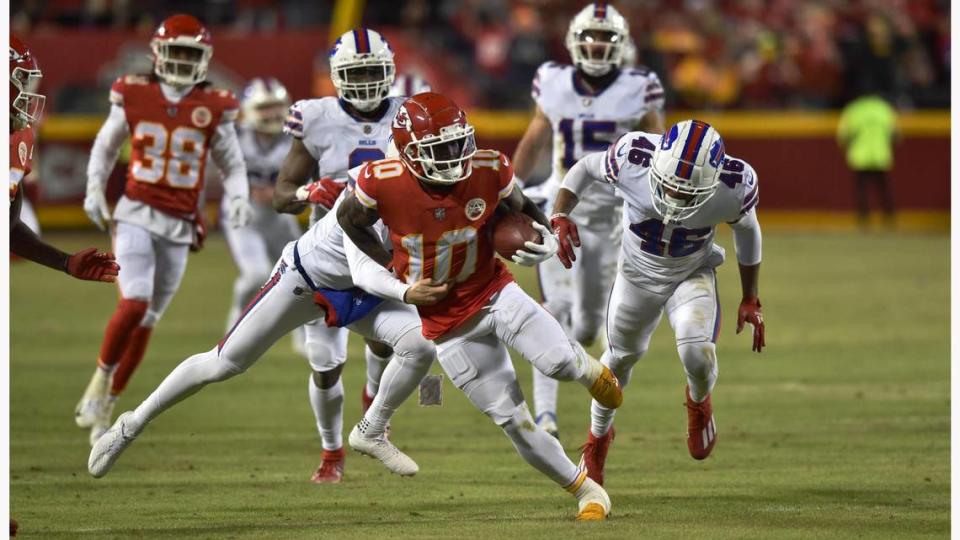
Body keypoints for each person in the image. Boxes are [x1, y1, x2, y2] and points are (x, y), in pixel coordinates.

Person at [337, 92, 622, 520]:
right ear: (411, 152)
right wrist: (393, 270)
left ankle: (586, 367)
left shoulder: (488, 167)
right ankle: (588, 491)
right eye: (440, 149)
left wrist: (544, 238)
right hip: (447, 326)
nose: (454, 156)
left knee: (559, 363)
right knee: (516, 423)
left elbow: (521, 207)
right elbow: (347, 219)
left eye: (458, 143)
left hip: (493, 289)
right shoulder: (383, 180)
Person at [88, 166, 446, 484]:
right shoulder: (369, 190)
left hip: (361, 290)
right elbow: (367, 270)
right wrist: (406, 290)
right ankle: (132, 424)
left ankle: (371, 430)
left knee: (419, 344)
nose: (450, 163)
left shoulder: (442, 199)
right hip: (306, 281)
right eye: (438, 151)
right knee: (224, 363)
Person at [549, 119, 766, 485]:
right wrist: (560, 214)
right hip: (636, 275)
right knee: (617, 361)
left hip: (691, 272)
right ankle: (597, 439)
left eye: (688, 193)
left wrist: (751, 297)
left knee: (697, 352)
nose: (677, 199)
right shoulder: (634, 156)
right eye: (670, 187)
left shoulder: (734, 182)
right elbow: (586, 167)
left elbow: (748, 230)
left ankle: (699, 402)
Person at [75, 14, 253, 446]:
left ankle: (110, 403)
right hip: (136, 212)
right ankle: (99, 380)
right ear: (157, 54)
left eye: (190, 53)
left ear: (205, 58)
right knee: (134, 303)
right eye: (175, 52)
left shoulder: (214, 105)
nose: (181, 61)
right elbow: (105, 144)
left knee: (148, 321)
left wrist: (238, 196)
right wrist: (94, 188)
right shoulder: (134, 92)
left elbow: (232, 164)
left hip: (179, 225)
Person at [511, 2, 665, 438]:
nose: (597, 45)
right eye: (590, 37)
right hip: (561, 207)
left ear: (622, 45)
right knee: (553, 312)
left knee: (586, 323)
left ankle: (579, 381)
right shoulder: (553, 81)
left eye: (607, 38)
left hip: (613, 217)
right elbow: (534, 139)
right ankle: (546, 417)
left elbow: (658, 149)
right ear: (574, 42)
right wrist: (507, 192)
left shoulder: (641, 86)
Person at [271, 27, 413, 483]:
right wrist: (313, 189)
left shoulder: (409, 113)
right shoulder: (315, 117)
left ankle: (374, 413)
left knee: (389, 342)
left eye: (375, 72)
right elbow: (281, 194)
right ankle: (332, 452)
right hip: (328, 257)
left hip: (381, 248)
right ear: (336, 76)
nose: (369, 82)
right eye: (358, 72)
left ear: (390, 72)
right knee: (326, 364)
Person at [9, 35, 120, 282]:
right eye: (21, 82)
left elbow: (9, 227)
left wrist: (65, 262)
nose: (28, 94)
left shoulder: (18, 137)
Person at [223, 77, 302, 331]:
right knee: (256, 275)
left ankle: (304, 335)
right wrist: (247, 190)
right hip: (243, 215)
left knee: (302, 275)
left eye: (276, 106)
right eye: (264, 107)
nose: (272, 113)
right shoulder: (234, 137)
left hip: (280, 216)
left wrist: (284, 193)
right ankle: (235, 323)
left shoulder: (295, 137)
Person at [836, 93, 898, 227]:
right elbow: (895, 134)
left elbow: (843, 135)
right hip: (880, 154)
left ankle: (863, 220)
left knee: (862, 189)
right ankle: (890, 219)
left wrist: (848, 147)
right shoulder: (884, 108)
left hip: (860, 155)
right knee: (884, 189)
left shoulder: (854, 109)